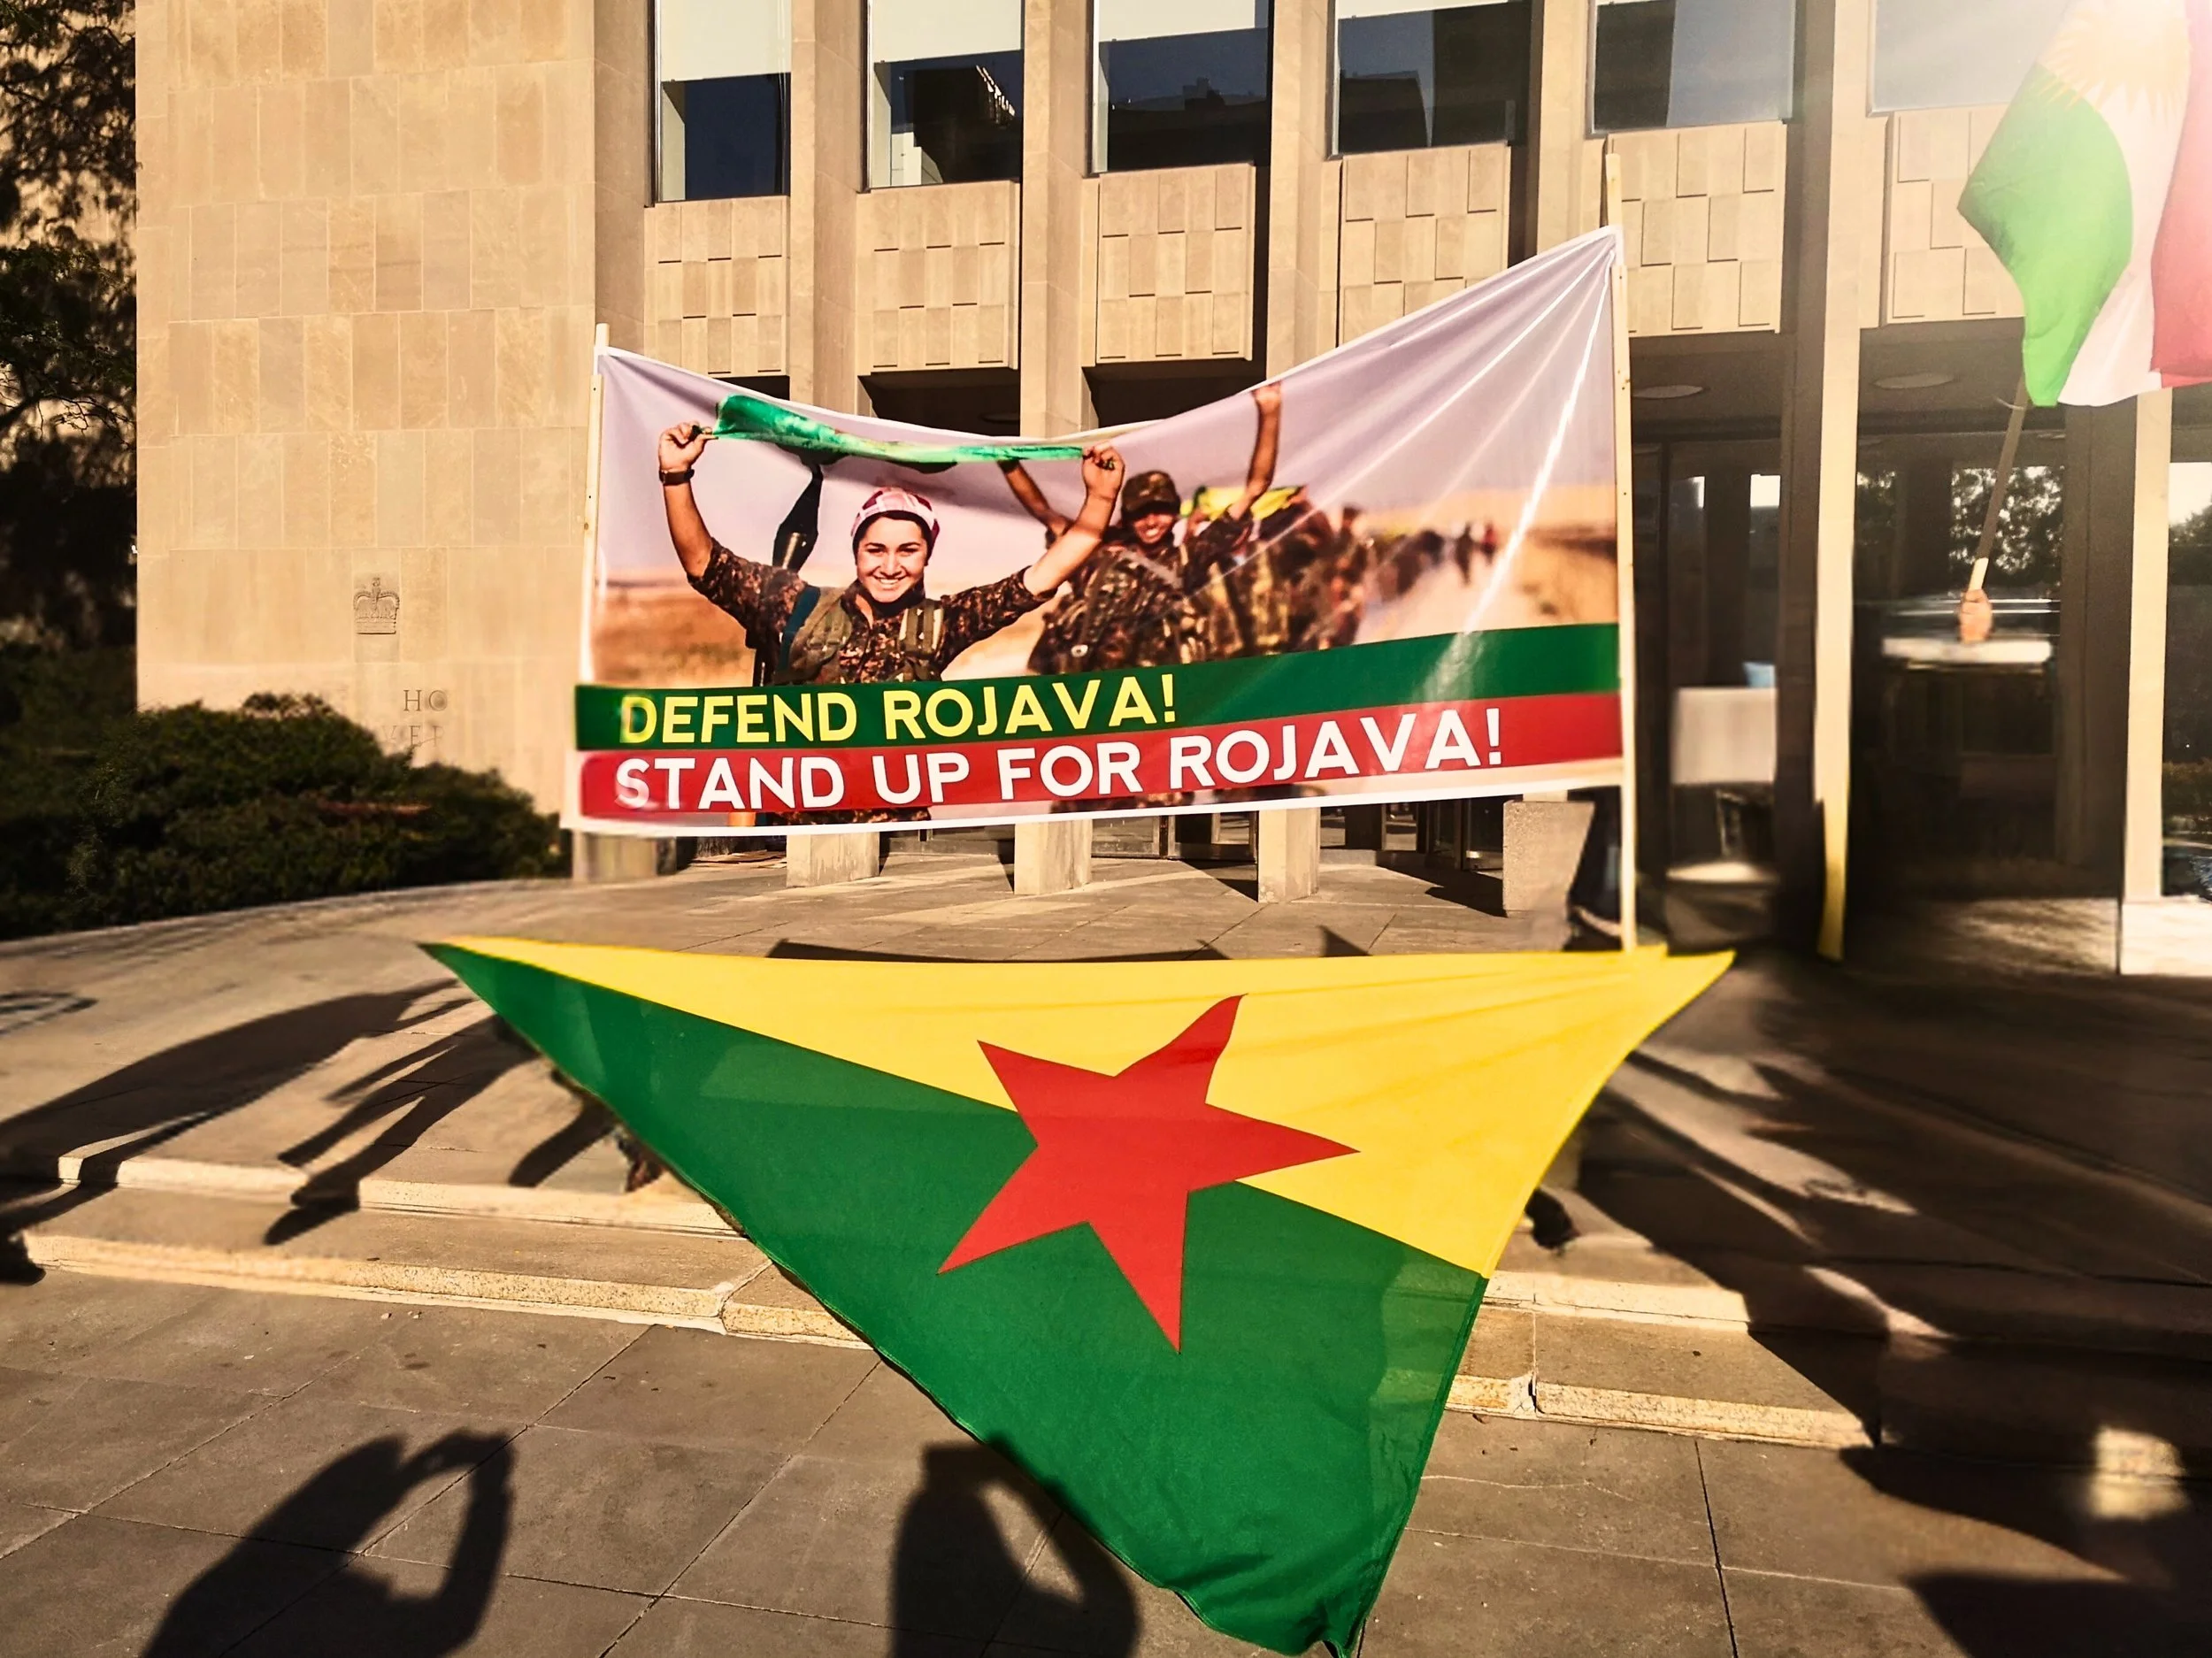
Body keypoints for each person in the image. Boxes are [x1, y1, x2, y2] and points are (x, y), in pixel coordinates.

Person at [657, 423, 1125, 686]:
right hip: (800, 823)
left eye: (908, 550)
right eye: (875, 549)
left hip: (898, 824)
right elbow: (703, 564)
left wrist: (1100, 498)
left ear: (927, 556)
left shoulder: (945, 623)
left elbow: (1044, 576)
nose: (890, 566)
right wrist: (676, 475)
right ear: (856, 551)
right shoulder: (796, 606)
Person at [1001, 381, 1286, 673]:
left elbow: (1256, 487)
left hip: (1152, 694)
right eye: (1141, 513)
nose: (1151, 522)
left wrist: (1270, 410)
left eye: (1160, 511)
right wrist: (1005, 461)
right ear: (1126, 518)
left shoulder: (1186, 561)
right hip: (1079, 690)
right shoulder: (1095, 555)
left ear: (1175, 515)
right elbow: (1043, 511)